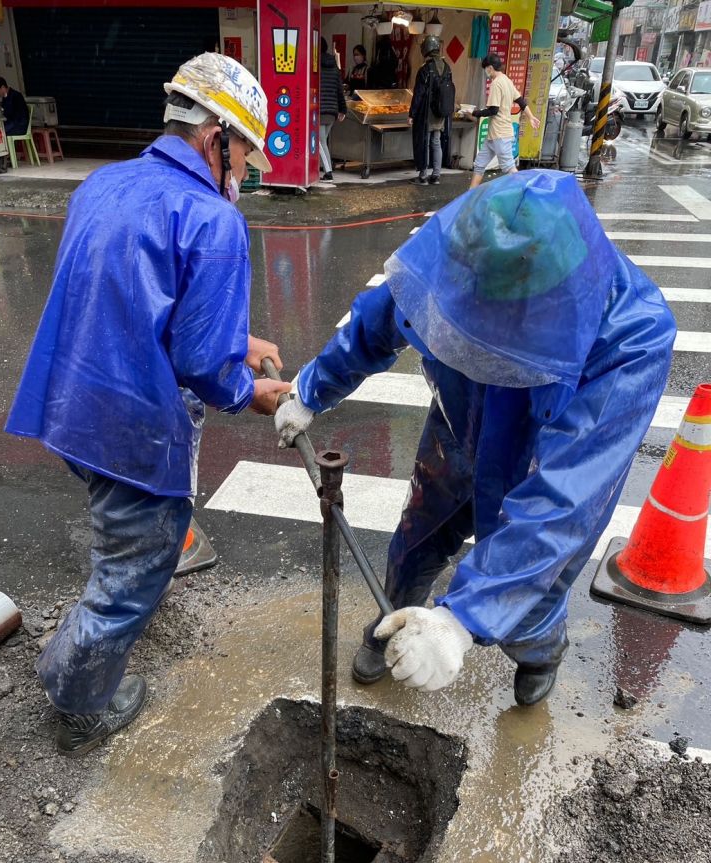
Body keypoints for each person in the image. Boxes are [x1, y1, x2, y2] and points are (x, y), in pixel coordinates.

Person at [275, 170, 675, 706]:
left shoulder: (630, 338)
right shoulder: (460, 262)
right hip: (457, 427)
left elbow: (563, 503)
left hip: (537, 464)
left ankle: (538, 651)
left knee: (528, 594)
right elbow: (385, 314)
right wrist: (310, 389)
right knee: (415, 540)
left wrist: (462, 621)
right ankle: (393, 622)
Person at [5, 53, 291, 757]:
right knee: (137, 564)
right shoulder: (211, 219)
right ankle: (79, 699)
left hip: (73, 404)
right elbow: (200, 362)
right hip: (133, 423)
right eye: (247, 150)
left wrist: (237, 337)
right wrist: (245, 389)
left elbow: (139, 298)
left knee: (123, 537)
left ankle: (89, 643)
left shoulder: (105, 184)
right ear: (215, 136)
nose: (250, 169)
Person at [467, 53, 540, 188]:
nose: (486, 72)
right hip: (493, 135)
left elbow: (493, 110)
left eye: (485, 69)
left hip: (500, 134)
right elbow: (521, 101)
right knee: (479, 164)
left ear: (489, 68)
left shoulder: (496, 83)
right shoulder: (506, 79)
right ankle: (471, 193)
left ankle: (526, 190)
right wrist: (531, 117)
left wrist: (474, 112)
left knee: (509, 167)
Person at [409, 35, 453, 185]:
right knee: (436, 142)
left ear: (425, 49)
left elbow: (419, 93)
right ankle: (436, 175)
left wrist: (412, 113)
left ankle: (423, 176)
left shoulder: (425, 69)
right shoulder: (447, 67)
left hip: (426, 113)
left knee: (424, 142)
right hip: (441, 113)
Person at [319, 37, 347, 181]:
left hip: (320, 110)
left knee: (319, 142)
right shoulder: (334, 66)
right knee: (323, 141)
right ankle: (323, 168)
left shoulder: (315, 65)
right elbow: (339, 90)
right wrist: (343, 110)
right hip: (332, 111)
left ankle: (328, 172)